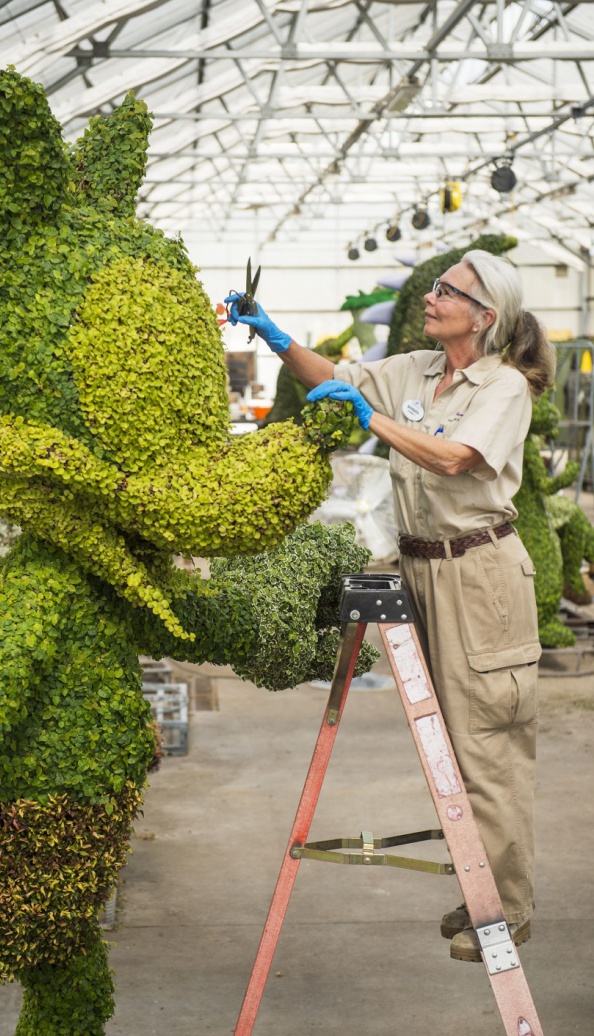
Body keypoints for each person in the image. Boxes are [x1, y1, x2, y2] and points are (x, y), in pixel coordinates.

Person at [225, 250, 556, 962]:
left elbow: (454, 458)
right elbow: (337, 380)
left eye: (447, 291)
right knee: (446, 742)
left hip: (479, 574)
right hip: (418, 566)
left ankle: (508, 910)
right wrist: (275, 337)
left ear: (484, 315)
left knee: (486, 745)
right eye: (435, 287)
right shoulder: (417, 370)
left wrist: (370, 420)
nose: (432, 298)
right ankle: (480, 891)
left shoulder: (503, 388)